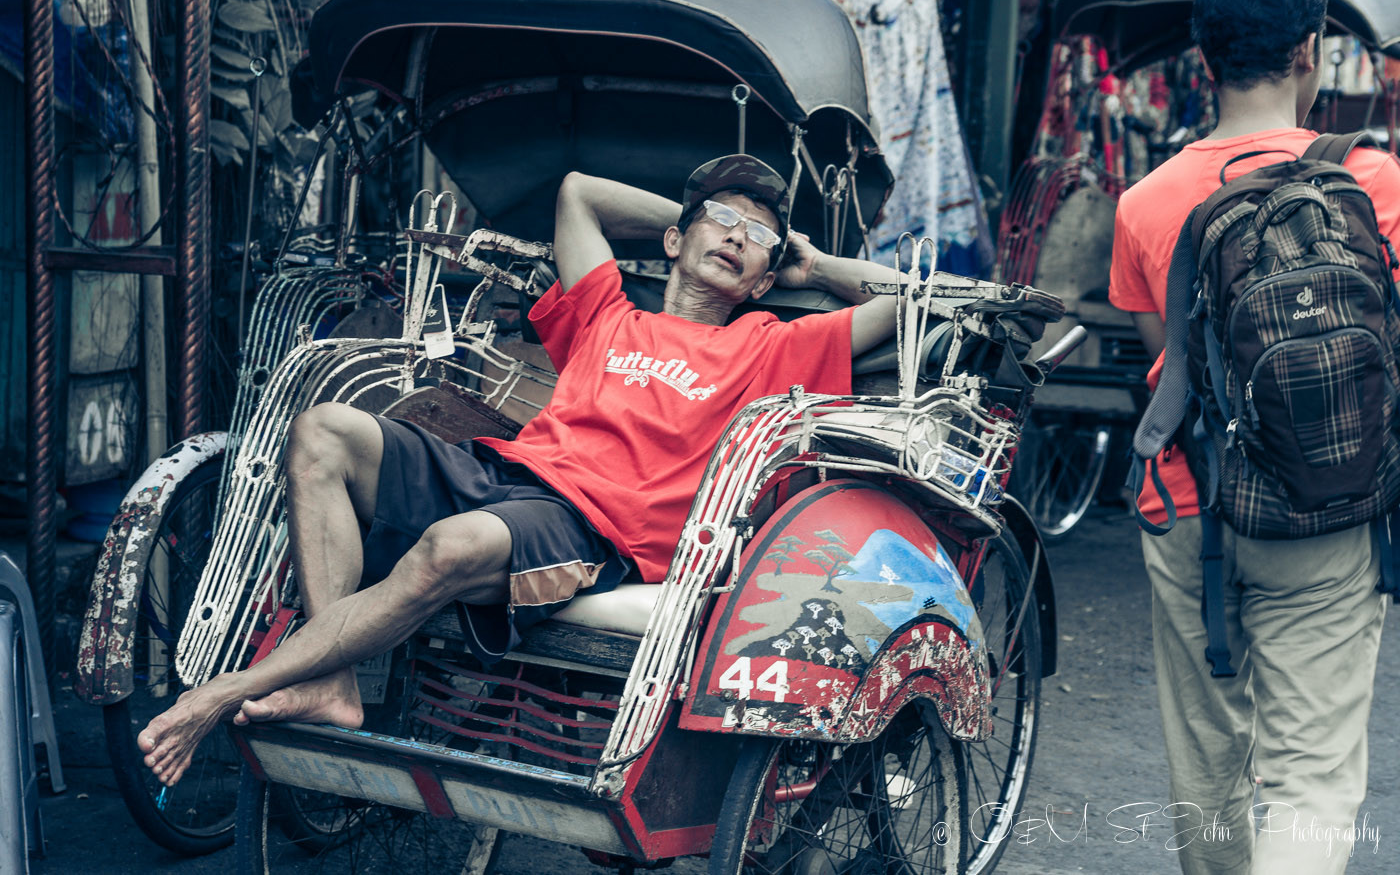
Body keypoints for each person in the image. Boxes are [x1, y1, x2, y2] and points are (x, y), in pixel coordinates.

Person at [138, 154, 905, 787]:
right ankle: (332, 683)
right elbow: (577, 191)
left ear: (767, 280)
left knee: (449, 547)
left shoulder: (770, 345)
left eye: (758, 239)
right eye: (724, 223)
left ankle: (226, 691)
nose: (738, 239)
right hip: (505, 472)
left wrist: (813, 261)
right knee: (321, 432)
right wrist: (696, 211)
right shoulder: (608, 311)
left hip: (590, 527)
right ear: (674, 239)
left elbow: (910, 302)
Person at [1109, 0, 1400, 875]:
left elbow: (1170, 363)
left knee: (1208, 764)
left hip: (1190, 503)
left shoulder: (1144, 203)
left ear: (1203, 61)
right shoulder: (1380, 184)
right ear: (1310, 52)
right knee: (1311, 775)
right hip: (1326, 503)